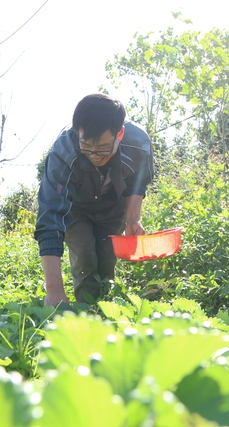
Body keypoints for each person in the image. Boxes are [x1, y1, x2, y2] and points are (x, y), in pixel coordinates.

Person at [34, 93, 154, 306]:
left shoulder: (138, 144)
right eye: (87, 146)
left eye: (103, 147)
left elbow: (138, 181)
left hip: (112, 205)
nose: (95, 155)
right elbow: (50, 220)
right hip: (74, 208)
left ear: (120, 134)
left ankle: (104, 313)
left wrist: (132, 220)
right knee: (85, 258)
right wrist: (53, 291)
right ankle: (85, 313)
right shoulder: (63, 154)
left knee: (107, 262)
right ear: (76, 133)